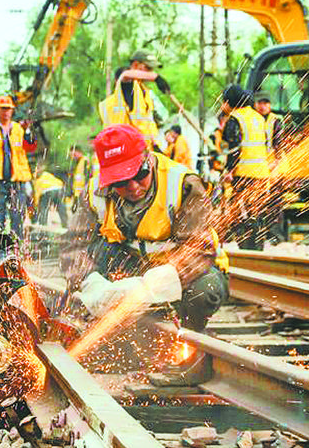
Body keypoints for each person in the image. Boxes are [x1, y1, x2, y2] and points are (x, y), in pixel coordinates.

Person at [61, 124, 229, 385]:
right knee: (94, 257)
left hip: (179, 273)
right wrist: (91, 283)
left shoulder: (183, 184)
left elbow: (198, 249)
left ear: (148, 160)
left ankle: (192, 353)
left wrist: (151, 286)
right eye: (120, 182)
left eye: (139, 175)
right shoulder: (94, 193)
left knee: (205, 289)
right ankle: (114, 339)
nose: (133, 187)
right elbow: (73, 247)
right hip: (129, 266)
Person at [221, 86, 270, 250]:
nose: (222, 105)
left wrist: (229, 170)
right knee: (257, 212)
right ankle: (258, 249)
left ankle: (246, 249)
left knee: (241, 213)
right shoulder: (259, 118)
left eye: (224, 101)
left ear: (230, 102)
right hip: (261, 174)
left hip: (243, 174)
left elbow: (234, 149)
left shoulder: (235, 119)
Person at [0, 95, 34, 239]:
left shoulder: (19, 129)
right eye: (3, 109)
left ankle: (18, 245)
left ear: (12, 110)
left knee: (17, 214)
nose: (6, 112)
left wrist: (28, 131)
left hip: (17, 180)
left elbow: (31, 147)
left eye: (8, 109)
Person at [100, 50, 170, 148]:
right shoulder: (128, 86)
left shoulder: (143, 91)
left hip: (144, 149)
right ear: (136, 65)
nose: (151, 72)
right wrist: (156, 77)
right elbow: (125, 75)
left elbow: (146, 124)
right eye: (148, 68)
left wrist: (155, 145)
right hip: (127, 149)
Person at [254, 91, 287, 244]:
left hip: (274, 167)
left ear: (270, 105)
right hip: (260, 167)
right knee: (260, 202)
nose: (263, 106)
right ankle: (262, 234)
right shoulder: (253, 120)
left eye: (265, 103)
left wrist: (276, 162)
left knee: (274, 202)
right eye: (260, 103)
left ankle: (276, 235)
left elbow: (279, 143)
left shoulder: (275, 121)